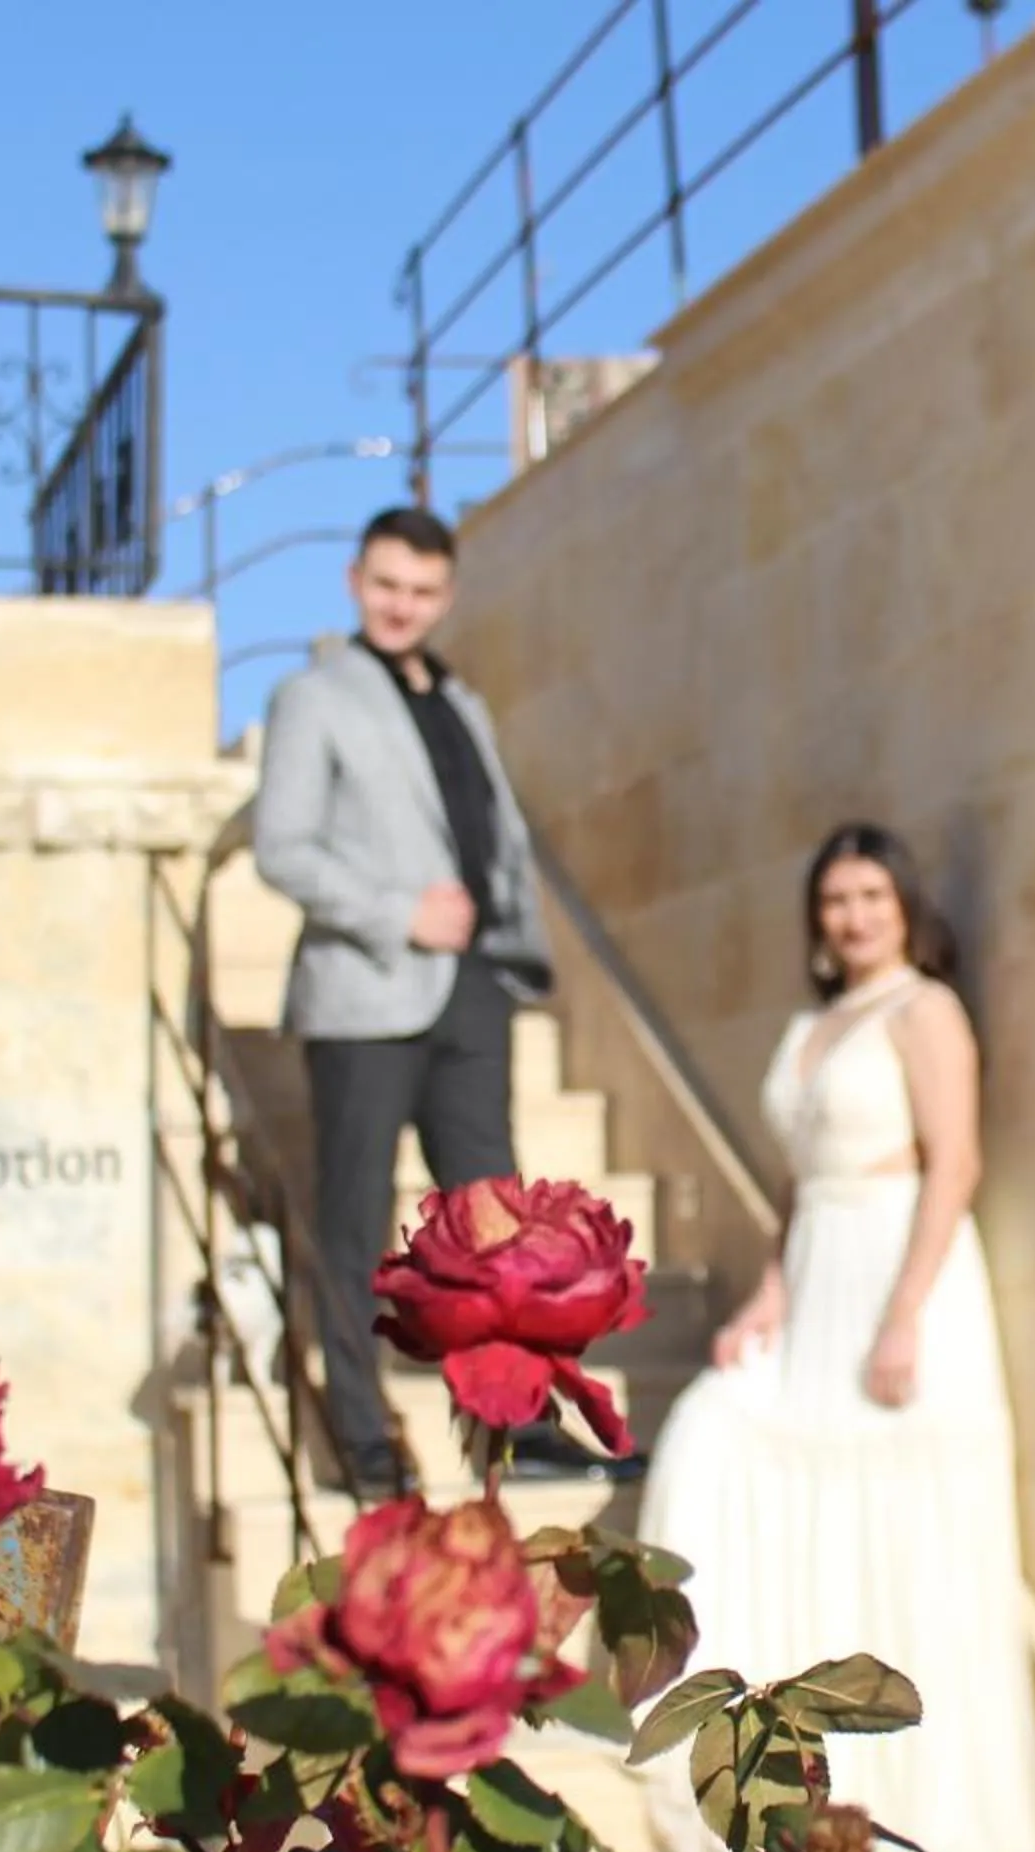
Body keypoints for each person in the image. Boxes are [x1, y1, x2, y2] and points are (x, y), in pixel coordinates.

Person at [635, 824, 1035, 1852]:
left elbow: (954, 1162)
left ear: (905, 904)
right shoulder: (811, 1021)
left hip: (897, 1271)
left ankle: (915, 1811)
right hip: (819, 1269)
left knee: (901, 1526)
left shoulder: (926, 1010)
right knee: (712, 1430)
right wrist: (769, 1294)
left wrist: (907, 1312)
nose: (854, 914)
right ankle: (766, 1763)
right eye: (835, 896)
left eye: (873, 893)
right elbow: (801, 1184)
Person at [251, 506, 624, 1492]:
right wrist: (396, 911)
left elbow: (493, 835)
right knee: (355, 1217)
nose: (402, 605)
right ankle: (360, 1431)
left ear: (446, 595)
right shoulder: (313, 696)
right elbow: (280, 846)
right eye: (386, 585)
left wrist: (511, 950)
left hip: (472, 988)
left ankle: (513, 1421)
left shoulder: (464, 702)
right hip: (365, 990)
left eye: (421, 590)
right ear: (354, 579)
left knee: (494, 1221)